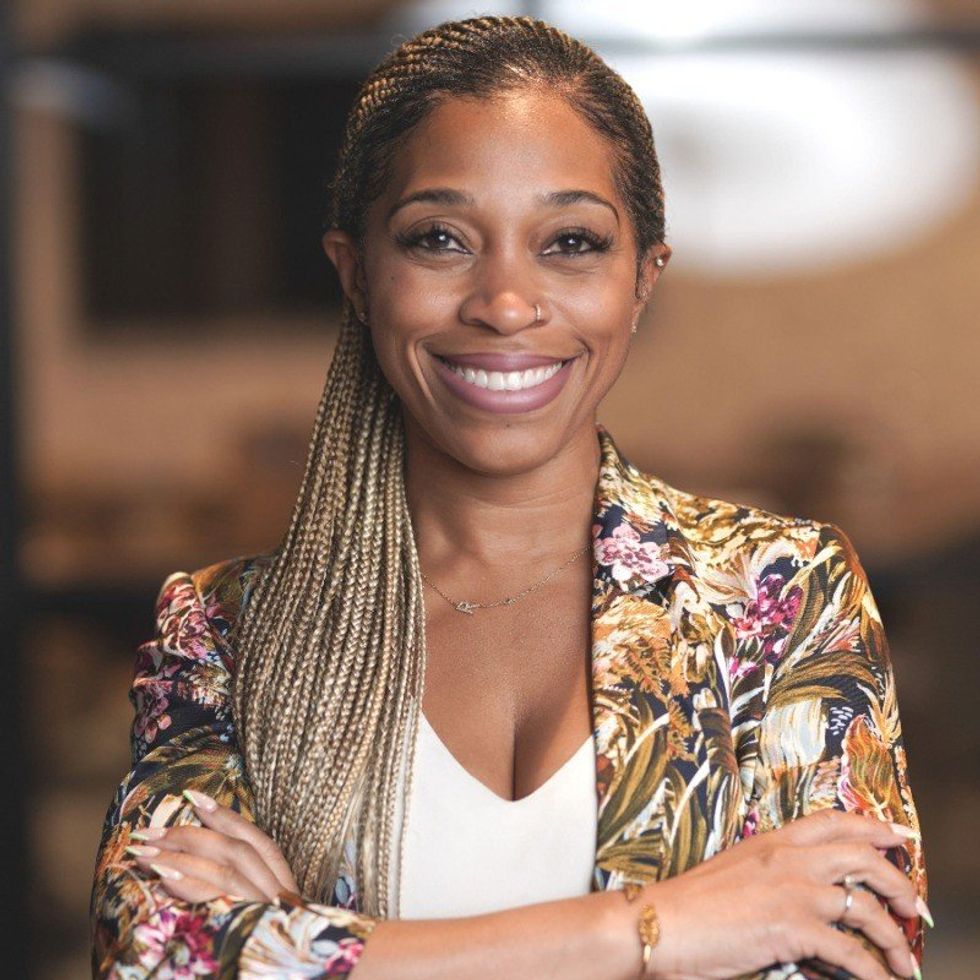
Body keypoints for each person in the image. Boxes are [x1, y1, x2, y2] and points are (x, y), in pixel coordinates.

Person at [89, 15, 929, 979]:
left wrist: (295, 936)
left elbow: (856, 953)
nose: (505, 303)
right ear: (357, 274)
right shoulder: (227, 635)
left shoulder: (781, 597)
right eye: (440, 239)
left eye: (569, 242)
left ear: (642, 279)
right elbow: (157, 957)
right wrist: (652, 930)